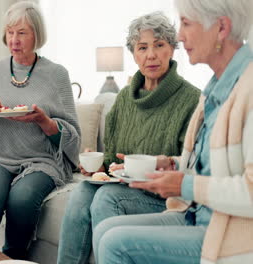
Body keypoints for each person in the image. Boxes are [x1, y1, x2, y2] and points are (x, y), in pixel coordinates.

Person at [93, 0, 253, 263]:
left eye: (187, 24)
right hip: (194, 214)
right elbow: (213, 167)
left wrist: (184, 184)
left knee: (114, 243)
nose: (179, 36)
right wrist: (169, 164)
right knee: (103, 230)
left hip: (228, 233)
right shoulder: (215, 89)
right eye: (142, 47)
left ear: (221, 27)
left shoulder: (247, 88)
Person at [57, 12, 201, 264]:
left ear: (172, 49)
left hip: (168, 200)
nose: (151, 55)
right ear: (134, 54)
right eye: (142, 47)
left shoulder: (191, 100)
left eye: (159, 45)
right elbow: (114, 159)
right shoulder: (124, 99)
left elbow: (189, 167)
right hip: (127, 188)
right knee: (82, 190)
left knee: (106, 197)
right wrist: (100, 167)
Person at [0, 1, 81, 259]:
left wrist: (44, 121)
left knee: (22, 198)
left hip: (41, 161)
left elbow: (73, 135)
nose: (13, 40)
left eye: (22, 33)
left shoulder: (57, 75)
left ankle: (13, 259)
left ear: (37, 35)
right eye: (10, 32)